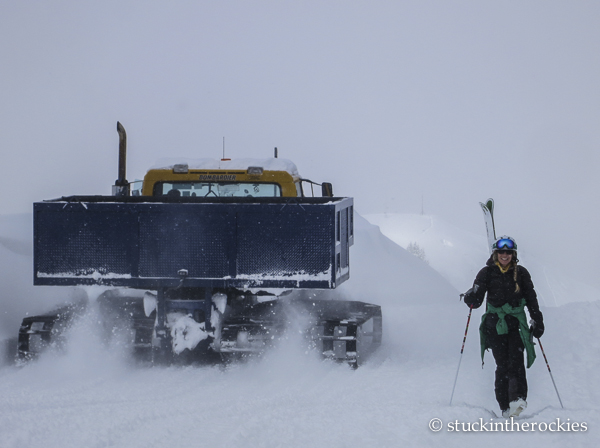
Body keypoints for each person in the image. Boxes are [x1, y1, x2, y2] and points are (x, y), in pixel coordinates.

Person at [462, 236, 544, 418]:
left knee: (516, 362)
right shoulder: (486, 273)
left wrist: (537, 320)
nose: (504, 255)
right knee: (503, 365)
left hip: (516, 324)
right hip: (495, 324)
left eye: (508, 252)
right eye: (501, 252)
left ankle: (518, 400)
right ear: (495, 253)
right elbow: (477, 300)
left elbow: (531, 298)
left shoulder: (521, 273)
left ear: (513, 254)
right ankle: (505, 407)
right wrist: (471, 298)